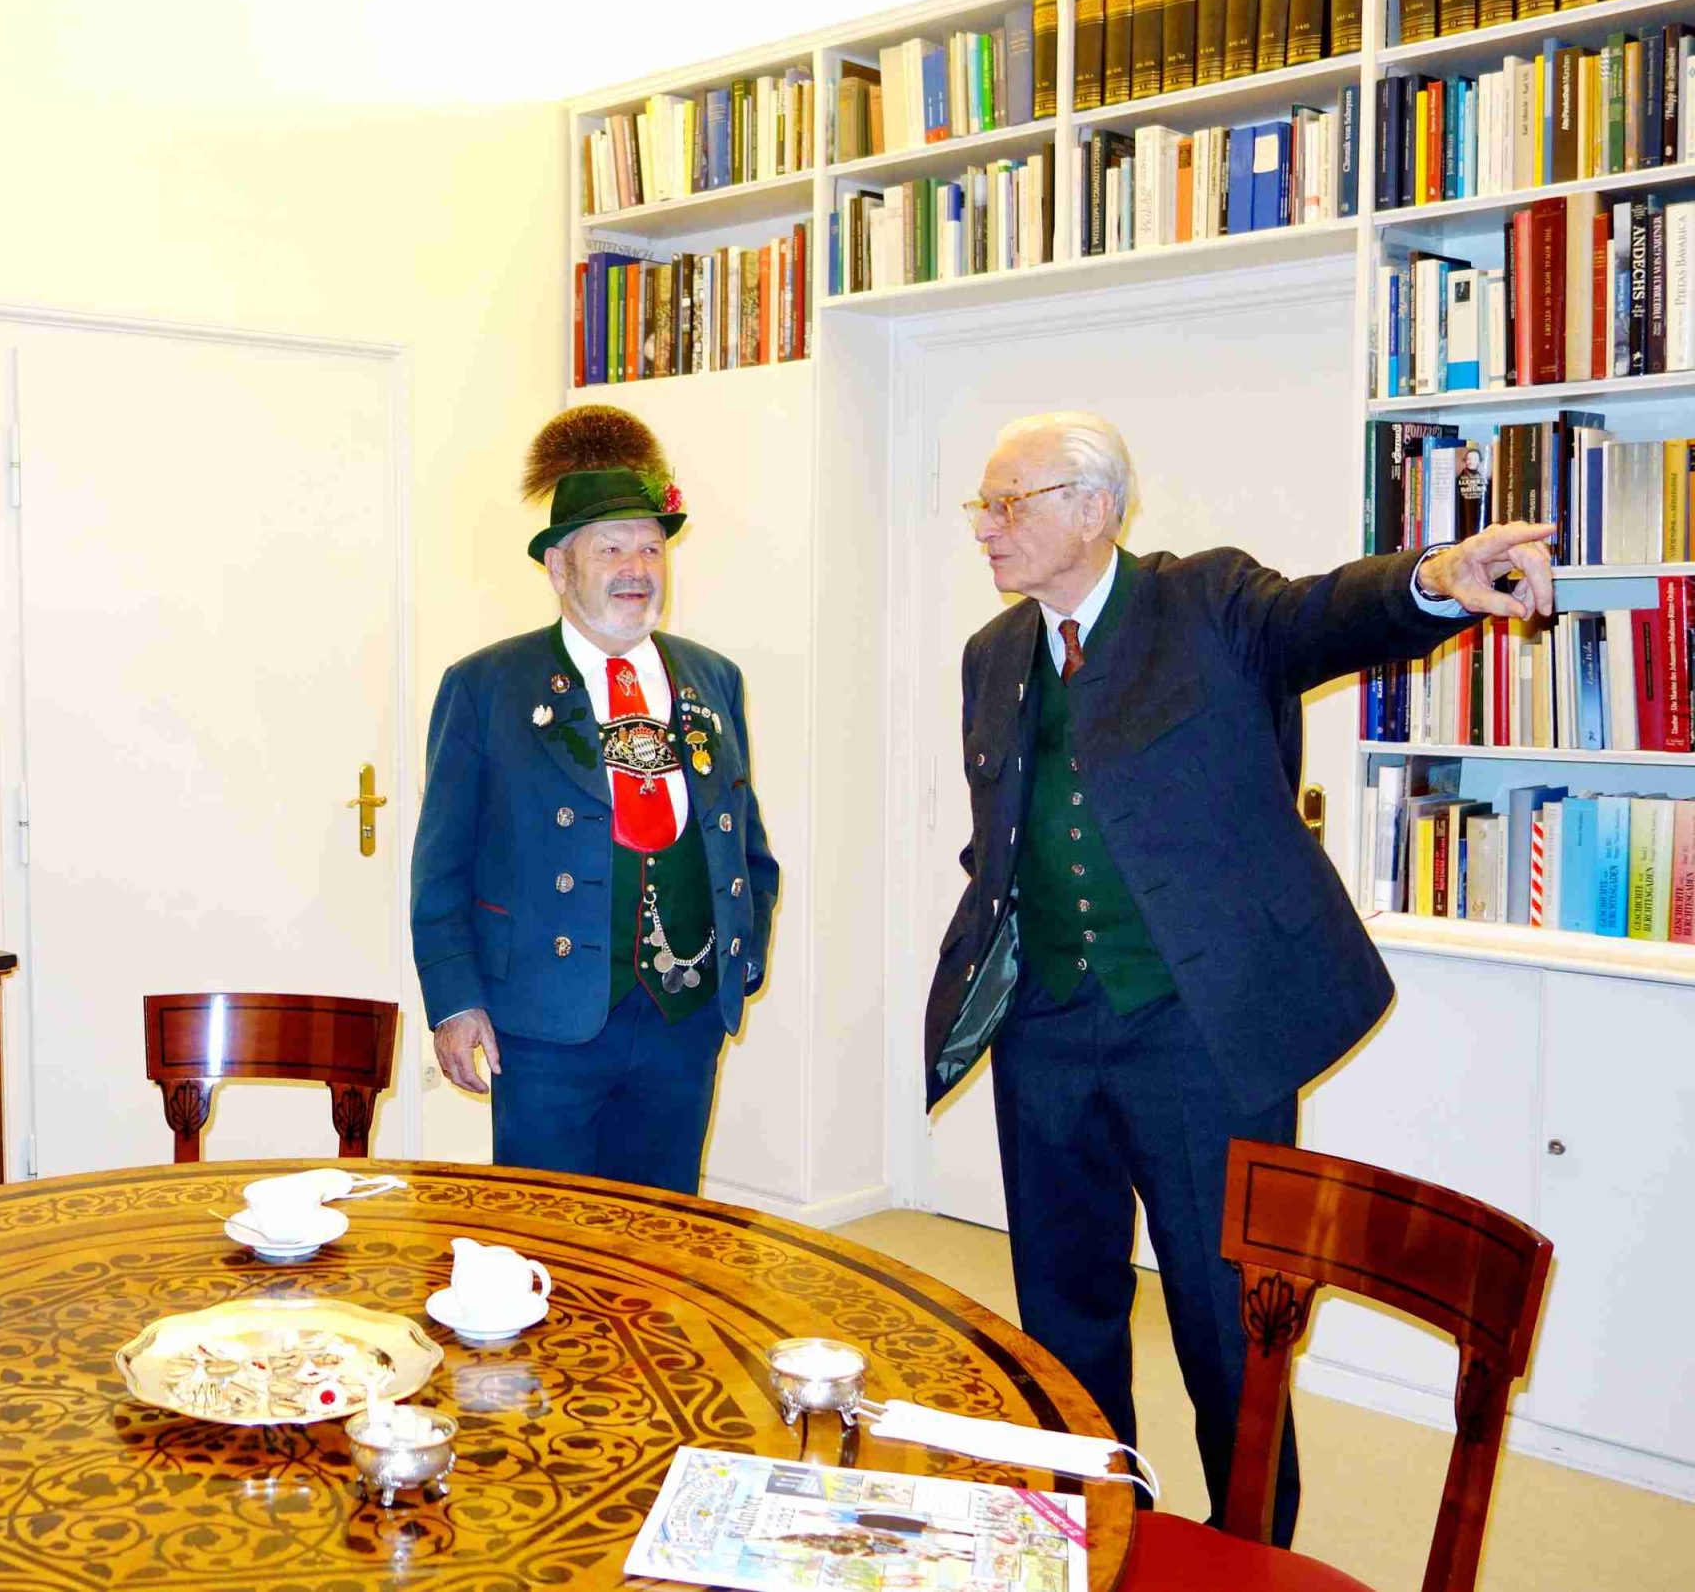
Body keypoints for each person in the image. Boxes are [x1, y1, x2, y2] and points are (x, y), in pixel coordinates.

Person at [924, 410, 1553, 1543]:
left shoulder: (1205, 601)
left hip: (1199, 1032)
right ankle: (1091, 1525)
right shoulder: (992, 653)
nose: (986, 527)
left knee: (1229, 1318)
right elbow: (1005, 830)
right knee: (1063, 1302)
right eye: (983, 504)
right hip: (1046, 1026)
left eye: (1008, 503)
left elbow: (1323, 615)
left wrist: (1435, 579)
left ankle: (1253, 1545)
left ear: (1094, 508)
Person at [411, 405, 778, 1195]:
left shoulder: (713, 677)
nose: (636, 569)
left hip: (682, 1020)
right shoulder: (486, 686)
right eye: (610, 548)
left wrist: (739, 959)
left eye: (650, 547)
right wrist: (454, 999)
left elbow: (744, 843)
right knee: (546, 1230)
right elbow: (440, 866)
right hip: (544, 1020)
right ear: (558, 567)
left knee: (665, 1226)